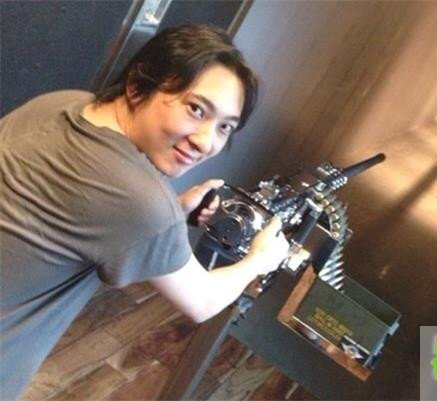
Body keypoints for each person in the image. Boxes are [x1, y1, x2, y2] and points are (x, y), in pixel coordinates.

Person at [0, 24, 289, 400]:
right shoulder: (139, 204)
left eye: (224, 128)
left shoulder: (62, 103)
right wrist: (260, 259)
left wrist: (171, 216)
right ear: (138, 86)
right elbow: (202, 301)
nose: (205, 141)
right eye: (196, 109)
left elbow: (81, 224)